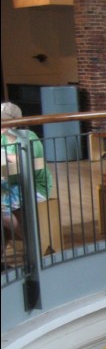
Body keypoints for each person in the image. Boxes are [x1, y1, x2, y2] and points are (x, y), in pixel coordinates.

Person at [1, 102, 54, 265]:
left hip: (35, 186)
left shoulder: (28, 137)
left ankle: (33, 242)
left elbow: (31, 165)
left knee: (2, 209)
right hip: (12, 184)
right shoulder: (2, 137)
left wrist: (7, 157)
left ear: (15, 121)